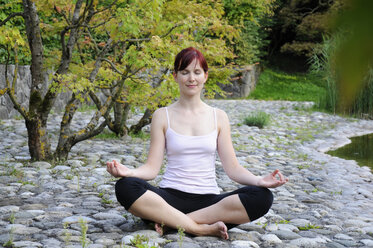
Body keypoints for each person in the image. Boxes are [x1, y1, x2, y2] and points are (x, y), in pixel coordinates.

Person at [106, 47, 288, 240]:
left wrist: (260, 180)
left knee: (262, 197)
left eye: (197, 72)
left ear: (205, 76)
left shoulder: (219, 117)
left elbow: (233, 168)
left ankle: (172, 223)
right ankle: (199, 228)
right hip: (168, 200)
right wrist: (129, 172)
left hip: (210, 204)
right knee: (125, 186)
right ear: (175, 76)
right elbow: (152, 169)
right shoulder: (162, 115)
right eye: (185, 72)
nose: (191, 78)